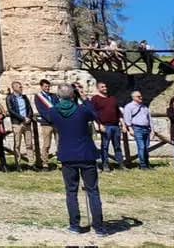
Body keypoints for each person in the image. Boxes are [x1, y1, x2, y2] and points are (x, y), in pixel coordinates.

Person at [51, 84, 108, 236]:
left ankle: (75, 225)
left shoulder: (54, 111)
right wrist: (84, 98)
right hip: (86, 154)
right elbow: (95, 114)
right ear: (73, 95)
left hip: (67, 155)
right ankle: (99, 228)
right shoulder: (82, 110)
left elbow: (50, 112)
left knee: (71, 192)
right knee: (93, 191)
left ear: (58, 96)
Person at [89, 81, 124, 171]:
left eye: (105, 86)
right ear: (98, 88)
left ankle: (121, 164)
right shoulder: (95, 99)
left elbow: (118, 112)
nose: (105, 88)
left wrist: (123, 124)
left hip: (116, 126)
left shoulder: (112, 98)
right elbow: (93, 113)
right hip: (105, 126)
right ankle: (105, 165)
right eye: (102, 87)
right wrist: (99, 124)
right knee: (105, 146)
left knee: (117, 146)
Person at [7, 81, 36, 170]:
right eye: (19, 87)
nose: (21, 88)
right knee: (17, 144)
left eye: (21, 86)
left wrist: (28, 118)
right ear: (14, 88)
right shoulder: (9, 98)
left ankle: (31, 163)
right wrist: (23, 119)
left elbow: (29, 108)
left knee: (29, 144)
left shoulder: (24, 97)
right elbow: (11, 111)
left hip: (27, 123)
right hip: (17, 123)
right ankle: (18, 164)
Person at [123, 90, 153, 169]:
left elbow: (149, 119)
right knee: (141, 147)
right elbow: (127, 118)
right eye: (138, 96)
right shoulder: (129, 107)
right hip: (137, 128)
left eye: (141, 96)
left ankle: (147, 163)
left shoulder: (144, 107)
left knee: (146, 148)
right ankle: (143, 165)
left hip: (146, 129)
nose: (141, 97)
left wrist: (152, 130)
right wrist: (130, 129)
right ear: (133, 97)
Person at [33, 79, 59, 170]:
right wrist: (50, 118)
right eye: (45, 86)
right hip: (46, 123)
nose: (47, 88)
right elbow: (41, 110)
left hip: (56, 123)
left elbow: (58, 106)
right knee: (46, 144)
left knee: (59, 143)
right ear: (41, 87)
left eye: (48, 86)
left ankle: (61, 161)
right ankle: (45, 163)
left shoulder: (54, 96)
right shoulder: (38, 97)